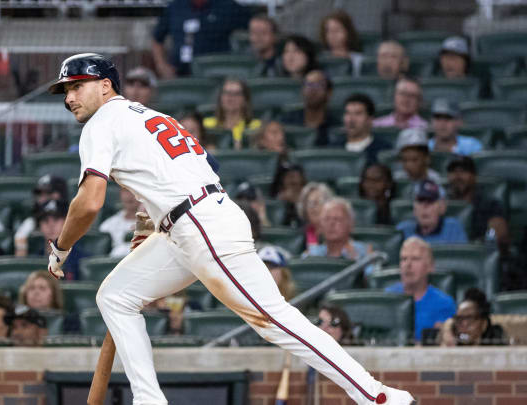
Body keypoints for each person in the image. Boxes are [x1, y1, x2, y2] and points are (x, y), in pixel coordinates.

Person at [45, 53, 414, 405]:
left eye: (78, 86)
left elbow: (89, 203)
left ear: (106, 86)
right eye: (66, 91)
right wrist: (155, 213)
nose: (70, 97)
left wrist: (61, 247)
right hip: (193, 219)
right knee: (116, 296)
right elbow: (205, 165)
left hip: (200, 225)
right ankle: (149, 400)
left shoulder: (102, 121)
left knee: (273, 319)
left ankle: (375, 394)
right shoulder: (149, 116)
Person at [151, 0, 249, 78]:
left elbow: (252, 26)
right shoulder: (175, 7)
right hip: (180, 73)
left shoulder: (227, 6)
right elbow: (157, 38)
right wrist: (162, 66)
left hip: (214, 75)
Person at [385, 237, 455, 343]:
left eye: (415, 259)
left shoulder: (444, 304)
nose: (408, 265)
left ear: (430, 267)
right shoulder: (387, 298)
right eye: (404, 259)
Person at [303, 197, 375, 274]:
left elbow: (372, 279)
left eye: (337, 219)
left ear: (350, 224)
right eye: (326, 219)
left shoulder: (365, 253)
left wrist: (356, 260)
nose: (331, 224)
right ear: (320, 225)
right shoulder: (311, 255)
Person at [445, 156, 507, 244]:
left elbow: (497, 234)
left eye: (463, 171)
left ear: (474, 176)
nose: (458, 176)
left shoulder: (490, 205)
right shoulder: (442, 204)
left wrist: (487, 237)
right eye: (453, 171)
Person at [396, 180, 468, 244]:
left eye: (430, 202)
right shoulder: (403, 230)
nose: (424, 207)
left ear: (442, 207)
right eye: (420, 201)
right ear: (414, 208)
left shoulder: (453, 229)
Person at [280, 69, 338, 146]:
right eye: (308, 84)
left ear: (329, 92)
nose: (313, 90)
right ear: (302, 90)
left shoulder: (336, 126)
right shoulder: (287, 122)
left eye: (319, 85)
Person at [14, 174, 68, 257]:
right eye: (39, 194)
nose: (42, 198)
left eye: (47, 193)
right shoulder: (32, 220)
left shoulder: (71, 216)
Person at [34, 199, 88, 280]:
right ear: (39, 226)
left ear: (66, 223)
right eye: (46, 221)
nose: (51, 225)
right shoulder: (35, 260)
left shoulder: (82, 260)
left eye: (56, 220)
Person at [332, 93, 391, 165]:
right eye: (347, 113)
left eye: (358, 114)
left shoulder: (383, 150)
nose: (351, 119)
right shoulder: (333, 149)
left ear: (370, 119)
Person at [203, 78, 261, 150]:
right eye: (226, 93)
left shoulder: (256, 127)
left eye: (236, 94)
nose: (230, 98)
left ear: (245, 99)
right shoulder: (206, 125)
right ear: (220, 98)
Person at [439, 288, 508, 346]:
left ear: (484, 323)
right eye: (459, 319)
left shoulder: (496, 337)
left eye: (470, 319)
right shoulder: (455, 334)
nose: (464, 324)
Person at [100, 187, 144, 258]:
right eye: (126, 191)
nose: (129, 196)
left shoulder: (154, 224)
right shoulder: (108, 225)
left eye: (134, 191)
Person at [318, 10, 363, 76]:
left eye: (337, 30)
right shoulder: (318, 60)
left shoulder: (359, 61)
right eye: (328, 31)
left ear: (348, 32)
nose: (332, 34)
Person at [298, 182, 334, 249]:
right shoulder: (298, 236)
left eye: (319, 202)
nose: (314, 207)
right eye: (310, 203)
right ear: (304, 208)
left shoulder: (337, 233)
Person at [270, 162, 306, 227]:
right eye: (287, 176)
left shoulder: (309, 199)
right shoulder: (275, 202)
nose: (291, 179)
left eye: (294, 176)